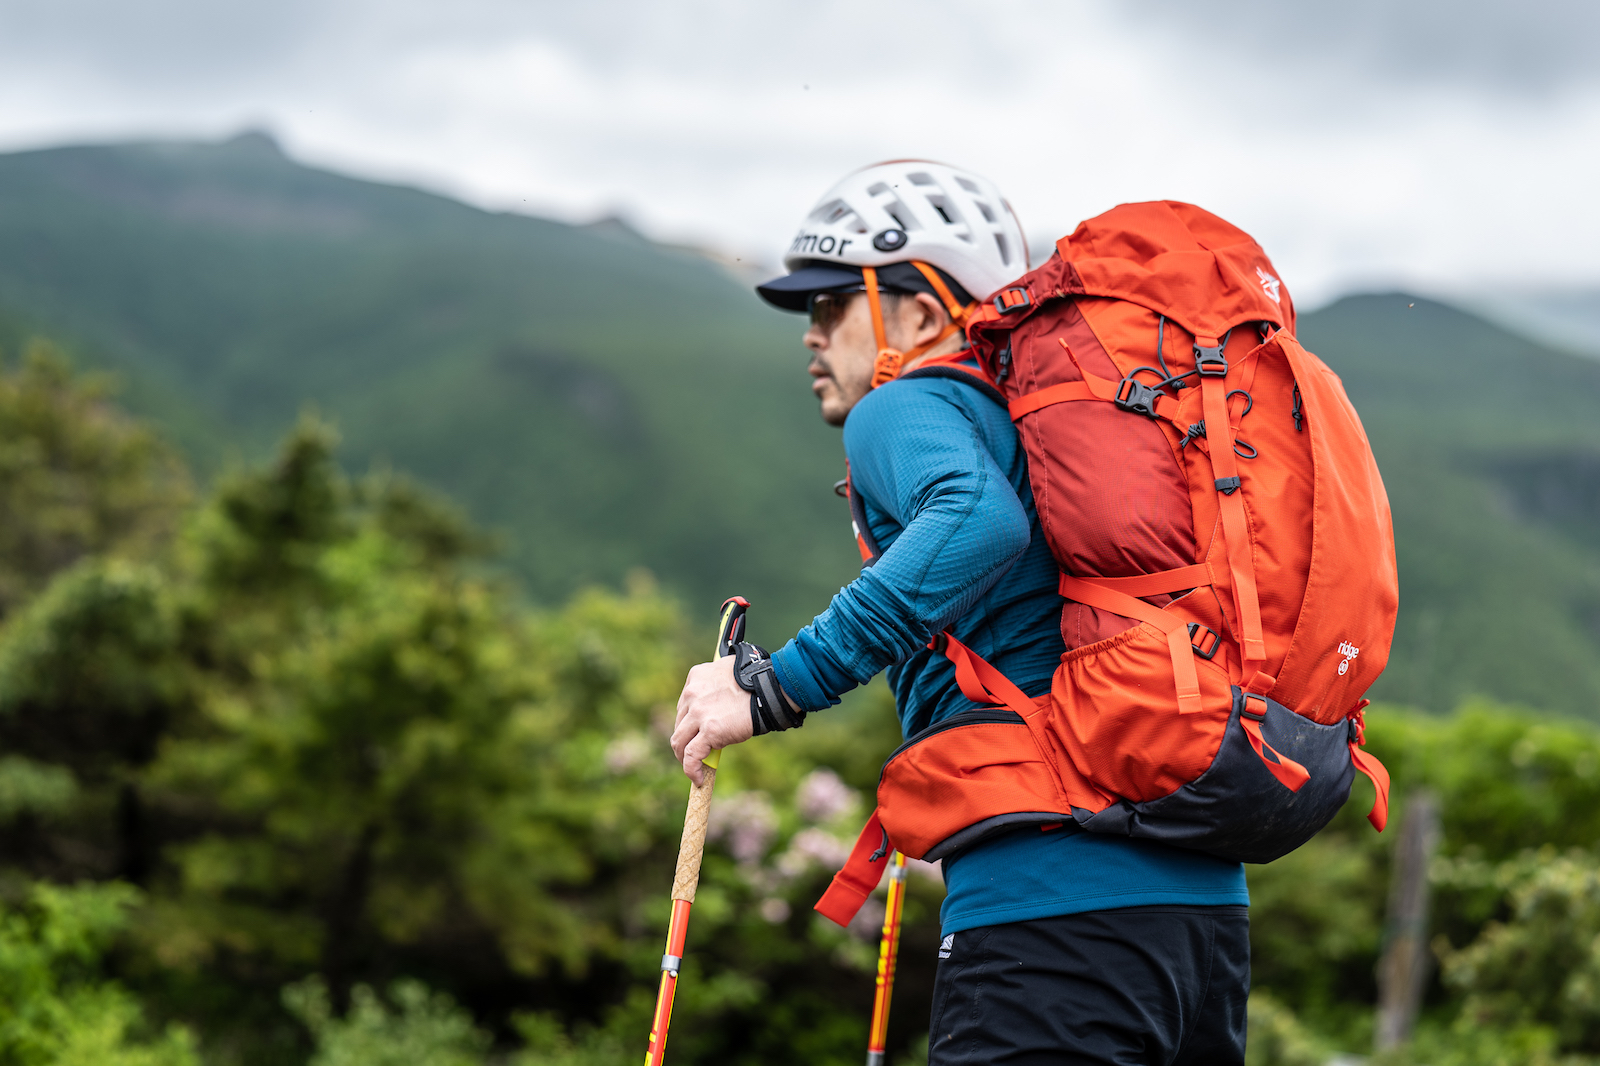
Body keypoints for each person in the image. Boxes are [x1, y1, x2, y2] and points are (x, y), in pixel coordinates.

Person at [670, 161, 1252, 1065]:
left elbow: (976, 521)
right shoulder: (1038, 430)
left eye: (834, 304)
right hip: (1202, 921)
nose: (812, 335)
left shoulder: (900, 407)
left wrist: (776, 688)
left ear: (928, 316)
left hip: (1049, 910)